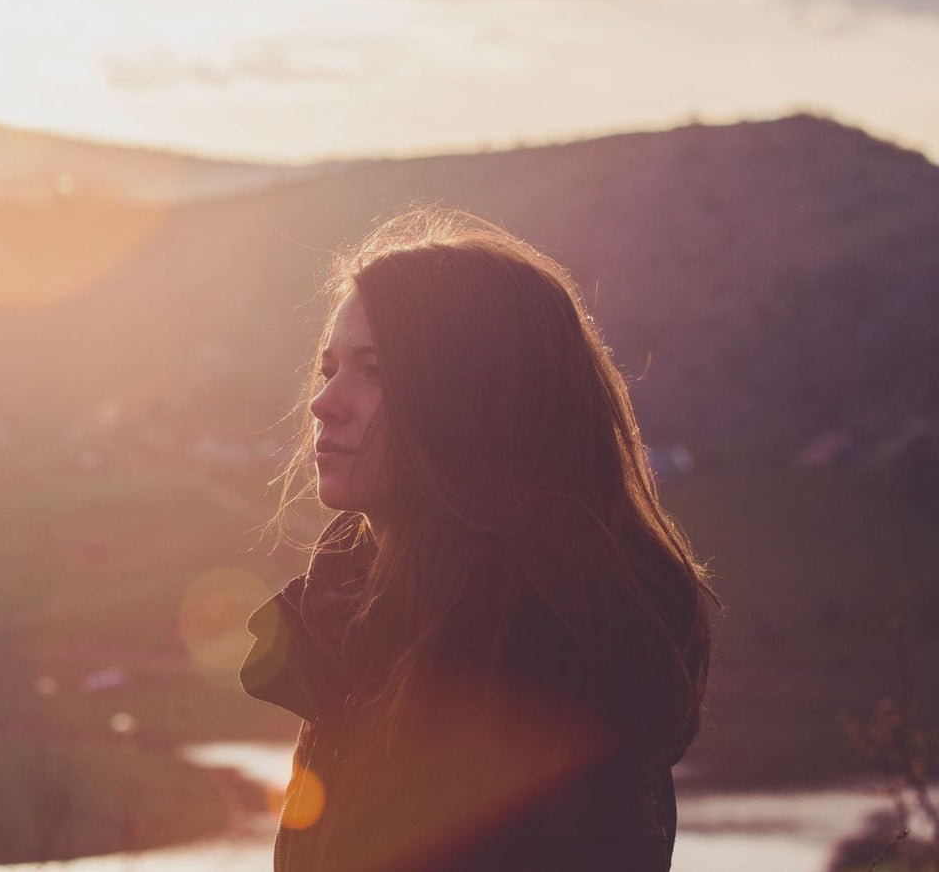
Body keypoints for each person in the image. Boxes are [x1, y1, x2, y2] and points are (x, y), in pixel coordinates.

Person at [240, 211, 719, 871]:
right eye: (329, 369)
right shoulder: (362, 629)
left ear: (476, 398)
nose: (326, 403)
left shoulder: (543, 675)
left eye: (374, 371)